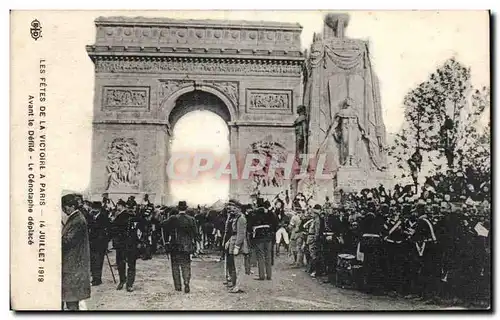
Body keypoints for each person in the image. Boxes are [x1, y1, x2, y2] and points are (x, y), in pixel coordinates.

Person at [61, 194, 91, 311]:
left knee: (72, 301)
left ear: (72, 206)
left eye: (65, 207)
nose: (64, 210)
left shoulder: (77, 220)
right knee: (71, 299)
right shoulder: (76, 218)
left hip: (74, 266)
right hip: (73, 265)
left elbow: (67, 241)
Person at [164, 201, 198, 293]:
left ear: (177, 208)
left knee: (175, 265)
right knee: (186, 265)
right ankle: (186, 282)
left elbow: (162, 225)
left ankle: (178, 286)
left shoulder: (173, 218)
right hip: (187, 246)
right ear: (186, 208)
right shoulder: (191, 219)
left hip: (175, 245)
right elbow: (196, 234)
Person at [110, 199, 140, 292]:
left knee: (123, 264)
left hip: (125, 245)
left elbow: (113, 229)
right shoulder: (133, 217)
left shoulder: (121, 217)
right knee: (127, 265)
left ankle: (125, 282)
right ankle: (127, 283)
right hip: (127, 245)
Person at [249, 205, 278, 280]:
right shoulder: (269, 215)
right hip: (268, 237)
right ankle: (269, 275)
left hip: (259, 238)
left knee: (260, 257)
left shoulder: (254, 216)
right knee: (268, 256)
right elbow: (275, 225)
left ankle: (261, 275)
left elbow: (249, 227)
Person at [227, 200, 250, 293]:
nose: (233, 210)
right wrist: (229, 241)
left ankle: (239, 286)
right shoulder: (236, 217)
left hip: (238, 244)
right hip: (234, 241)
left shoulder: (241, 218)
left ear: (239, 209)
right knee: (234, 266)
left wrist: (237, 246)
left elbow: (241, 234)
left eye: (235, 208)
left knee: (239, 267)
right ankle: (235, 285)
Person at [88, 201, 110, 286]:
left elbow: (108, 229)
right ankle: (94, 277)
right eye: (93, 208)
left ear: (99, 209)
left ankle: (97, 279)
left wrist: (105, 241)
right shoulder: (90, 217)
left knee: (98, 262)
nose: (93, 210)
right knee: (93, 261)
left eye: (95, 208)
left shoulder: (104, 217)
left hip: (100, 244)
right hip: (92, 243)